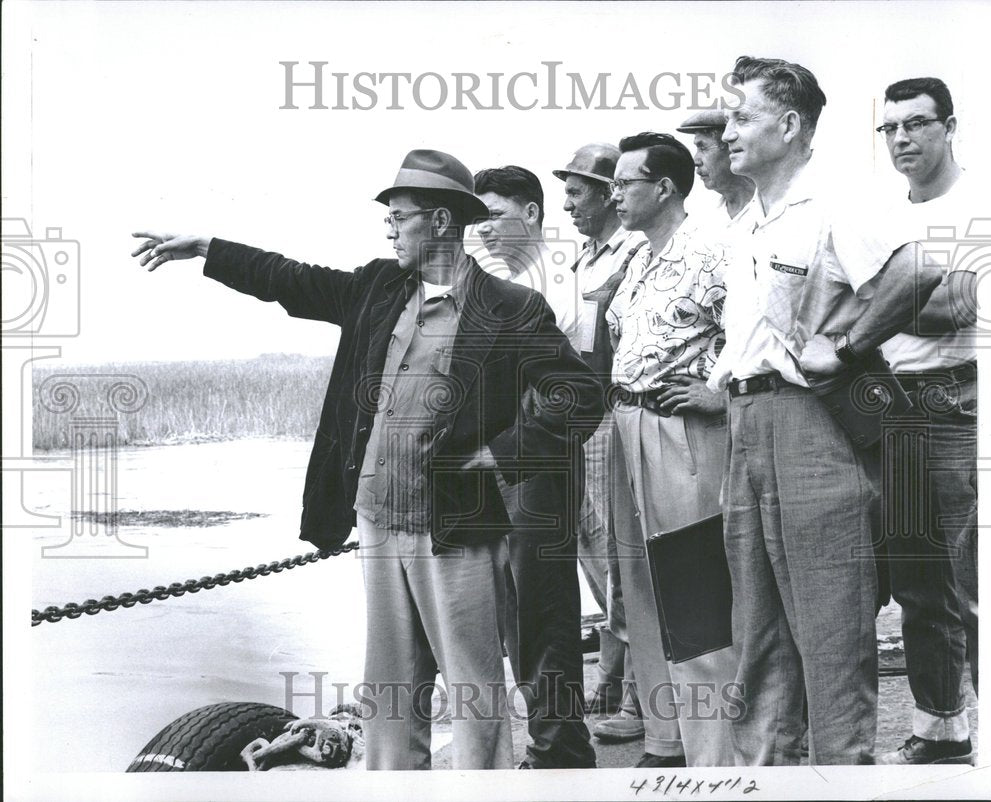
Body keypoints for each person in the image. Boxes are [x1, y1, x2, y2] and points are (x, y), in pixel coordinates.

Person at [130, 148, 603, 771]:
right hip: (378, 522)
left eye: (399, 216)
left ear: (439, 221)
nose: (388, 227)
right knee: (390, 691)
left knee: (474, 691)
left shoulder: (510, 307)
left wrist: (500, 455)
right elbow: (290, 278)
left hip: (457, 528)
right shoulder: (379, 288)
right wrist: (208, 249)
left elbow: (580, 396)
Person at [707, 56, 942, 765]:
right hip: (745, 424)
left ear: (788, 124)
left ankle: (844, 777)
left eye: (742, 117)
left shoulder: (836, 201)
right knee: (757, 635)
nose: (728, 131)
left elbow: (916, 268)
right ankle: (770, 775)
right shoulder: (752, 219)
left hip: (809, 427)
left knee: (831, 635)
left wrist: (845, 345)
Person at [606, 131, 739, 768]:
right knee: (641, 589)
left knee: (694, 587)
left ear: (663, 188)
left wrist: (723, 392)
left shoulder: (713, 249)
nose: (613, 192)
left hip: (679, 429)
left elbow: (759, 326)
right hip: (627, 426)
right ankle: (668, 742)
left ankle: (715, 753)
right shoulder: (636, 258)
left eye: (625, 181)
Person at [874, 77, 985, 765]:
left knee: (959, 579)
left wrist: (867, 302)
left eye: (916, 124)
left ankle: (973, 735)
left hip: (948, 400)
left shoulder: (977, 205)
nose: (902, 140)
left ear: (949, 125)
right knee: (912, 579)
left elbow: (957, 310)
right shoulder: (887, 214)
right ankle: (943, 727)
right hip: (886, 398)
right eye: (889, 129)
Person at [472, 165, 597, 768]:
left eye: (493, 213)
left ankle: (560, 750)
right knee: (515, 610)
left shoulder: (558, 282)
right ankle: (550, 742)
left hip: (540, 457)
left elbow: (571, 389)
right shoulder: (504, 279)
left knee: (542, 610)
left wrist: (509, 448)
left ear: (531, 212)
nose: (484, 227)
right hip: (508, 456)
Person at [554, 144, 647, 742]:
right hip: (582, 414)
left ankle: (639, 694)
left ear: (610, 193)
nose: (568, 205)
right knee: (594, 547)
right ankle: (613, 680)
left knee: (622, 554)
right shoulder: (584, 260)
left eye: (577, 192)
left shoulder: (636, 252)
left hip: (616, 411)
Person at [676, 109, 755, 227]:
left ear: (732, 148)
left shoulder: (772, 208)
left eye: (703, 148)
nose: (695, 161)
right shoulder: (702, 219)